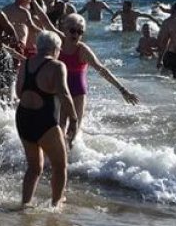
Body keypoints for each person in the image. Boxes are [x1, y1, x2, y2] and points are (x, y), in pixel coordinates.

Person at [15, 30, 77, 208]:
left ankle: (25, 203)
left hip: (24, 118)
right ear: (55, 48)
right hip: (45, 119)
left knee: (34, 167)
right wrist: (73, 119)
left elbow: (18, 93)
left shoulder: (25, 63)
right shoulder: (57, 66)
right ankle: (56, 203)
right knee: (60, 165)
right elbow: (64, 94)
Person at [56, 14, 139, 144]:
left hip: (78, 93)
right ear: (64, 29)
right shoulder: (57, 46)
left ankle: (69, 159)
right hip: (61, 92)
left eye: (80, 32)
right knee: (59, 128)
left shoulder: (83, 50)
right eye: (72, 30)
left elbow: (102, 70)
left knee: (73, 130)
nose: (76, 35)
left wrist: (123, 90)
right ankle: (57, 160)